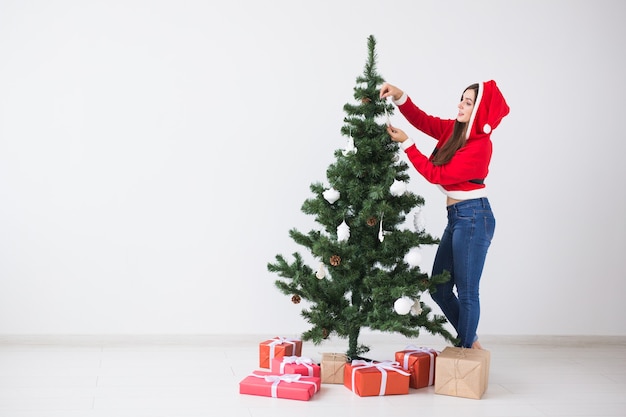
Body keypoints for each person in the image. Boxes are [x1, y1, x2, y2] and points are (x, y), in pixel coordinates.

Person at [380, 80, 510, 349]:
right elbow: (424, 121)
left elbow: (437, 175)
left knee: (467, 292)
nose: (460, 105)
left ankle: (464, 352)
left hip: (474, 217)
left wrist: (407, 144)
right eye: (461, 99)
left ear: (480, 110)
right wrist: (400, 96)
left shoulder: (481, 146)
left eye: (468, 102)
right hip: (458, 217)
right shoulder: (456, 131)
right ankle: (470, 343)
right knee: (439, 288)